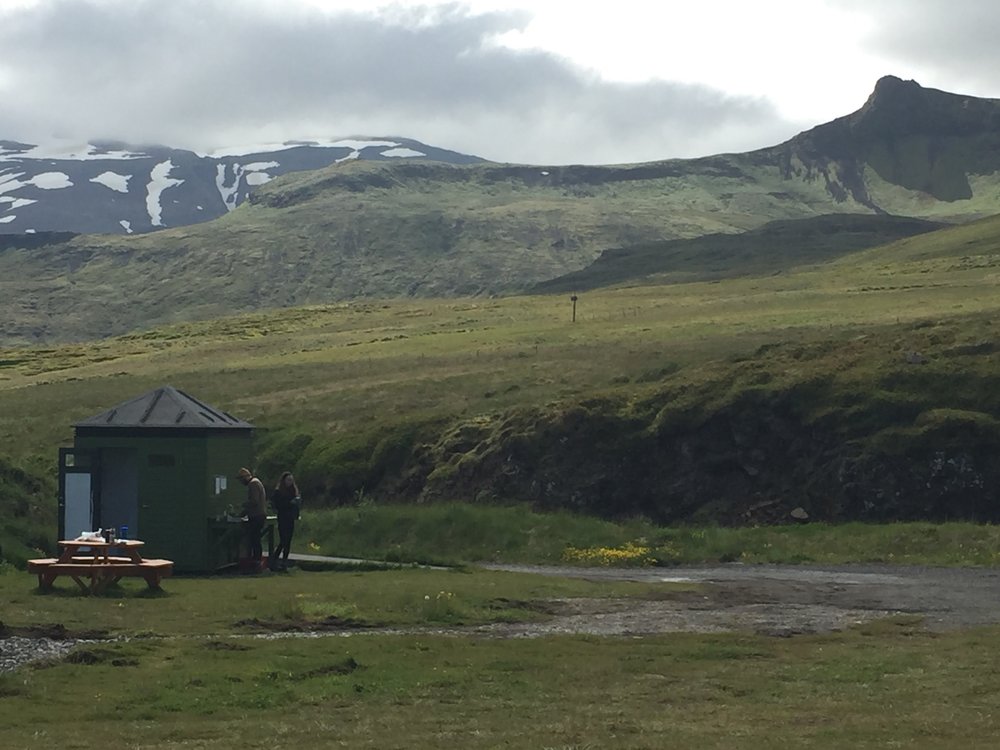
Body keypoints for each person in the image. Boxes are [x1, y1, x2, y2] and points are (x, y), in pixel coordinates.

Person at [270, 471, 301, 571]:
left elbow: (296, 506)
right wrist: (289, 503)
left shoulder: (293, 492)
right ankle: (274, 559)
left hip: (290, 518)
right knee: (283, 540)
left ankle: (284, 563)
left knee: (288, 541)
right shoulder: (278, 492)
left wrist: (297, 507)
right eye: (288, 480)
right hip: (283, 518)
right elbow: (278, 505)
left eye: (291, 480)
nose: (290, 482)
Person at [237, 467, 267, 569]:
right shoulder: (256, 482)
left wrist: (243, 507)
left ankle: (256, 562)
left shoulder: (252, 484)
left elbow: (254, 501)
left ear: (245, 477)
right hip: (259, 515)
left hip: (256, 516)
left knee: (254, 539)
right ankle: (256, 561)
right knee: (255, 539)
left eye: (241, 480)